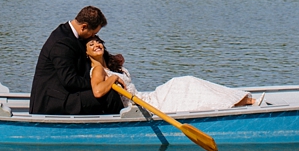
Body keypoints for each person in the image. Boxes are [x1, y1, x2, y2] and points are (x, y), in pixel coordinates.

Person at [85, 37, 260, 113]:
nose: (96, 45)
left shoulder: (109, 65)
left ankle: (241, 100)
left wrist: (116, 73)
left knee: (186, 83)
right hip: (141, 106)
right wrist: (114, 78)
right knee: (187, 85)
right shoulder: (99, 70)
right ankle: (244, 101)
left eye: (98, 42)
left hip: (147, 98)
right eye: (91, 44)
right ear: (86, 54)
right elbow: (98, 91)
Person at [29, 6, 123, 115]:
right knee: (110, 96)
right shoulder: (62, 43)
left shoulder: (71, 34)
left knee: (107, 91)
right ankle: (122, 127)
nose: (93, 37)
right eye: (93, 33)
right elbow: (70, 81)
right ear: (84, 27)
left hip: (65, 94)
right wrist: (101, 83)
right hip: (52, 102)